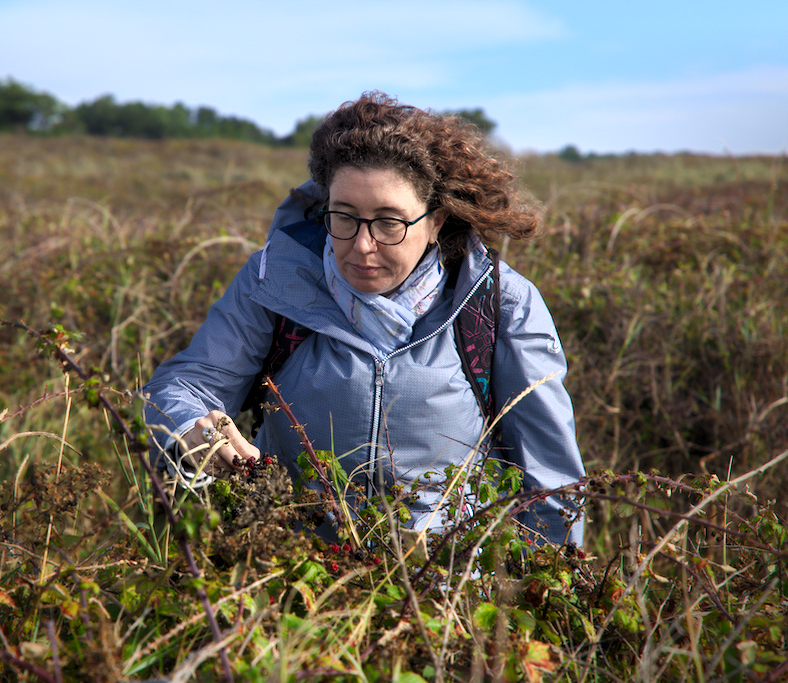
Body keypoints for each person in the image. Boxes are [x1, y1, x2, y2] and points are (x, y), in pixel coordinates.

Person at [142, 92, 585, 546]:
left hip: (446, 595)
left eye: (389, 222)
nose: (362, 246)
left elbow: (550, 482)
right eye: (344, 217)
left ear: (437, 221)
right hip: (293, 578)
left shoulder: (499, 304)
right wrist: (188, 426)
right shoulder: (273, 283)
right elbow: (183, 386)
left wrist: (549, 593)